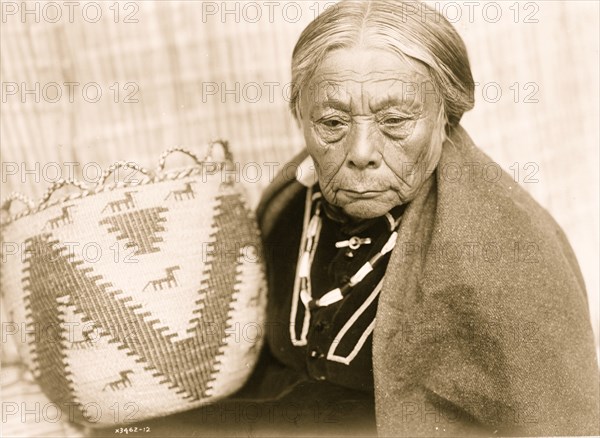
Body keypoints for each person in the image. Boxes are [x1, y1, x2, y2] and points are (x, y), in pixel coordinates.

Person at [254, 0, 600, 436]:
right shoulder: (285, 208)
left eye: (395, 120)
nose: (360, 153)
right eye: (332, 122)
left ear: (445, 117)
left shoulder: (508, 256)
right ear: (300, 116)